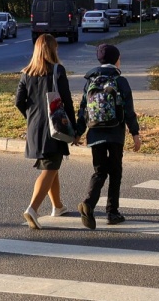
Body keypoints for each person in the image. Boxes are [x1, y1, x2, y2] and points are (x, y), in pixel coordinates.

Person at [74, 42, 141, 230]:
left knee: (99, 171)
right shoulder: (121, 81)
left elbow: (83, 109)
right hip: (115, 134)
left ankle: (88, 202)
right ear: (116, 60)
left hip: (95, 133)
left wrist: (79, 132)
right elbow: (129, 110)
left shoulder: (90, 81)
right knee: (115, 172)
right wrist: (135, 133)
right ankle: (112, 212)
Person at [14, 34, 76, 228]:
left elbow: (18, 102)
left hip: (34, 127)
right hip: (54, 127)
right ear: (52, 50)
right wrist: (73, 128)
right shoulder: (58, 71)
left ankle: (57, 206)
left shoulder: (26, 73)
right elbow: (66, 100)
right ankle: (32, 209)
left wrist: (31, 117)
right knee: (50, 167)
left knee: (51, 166)